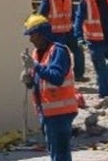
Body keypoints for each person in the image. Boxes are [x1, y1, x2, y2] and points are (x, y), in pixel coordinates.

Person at [22, 14, 77, 161]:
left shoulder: (58, 51)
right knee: (55, 152)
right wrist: (29, 80)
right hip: (46, 112)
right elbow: (39, 80)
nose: (31, 39)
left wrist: (35, 66)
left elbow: (57, 77)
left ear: (42, 34)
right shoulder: (37, 54)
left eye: (32, 35)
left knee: (60, 154)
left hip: (60, 113)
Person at [38, 0, 86, 83]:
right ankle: (57, 76)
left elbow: (71, 13)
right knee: (59, 56)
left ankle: (78, 75)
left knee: (78, 50)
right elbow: (41, 16)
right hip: (55, 33)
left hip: (68, 30)